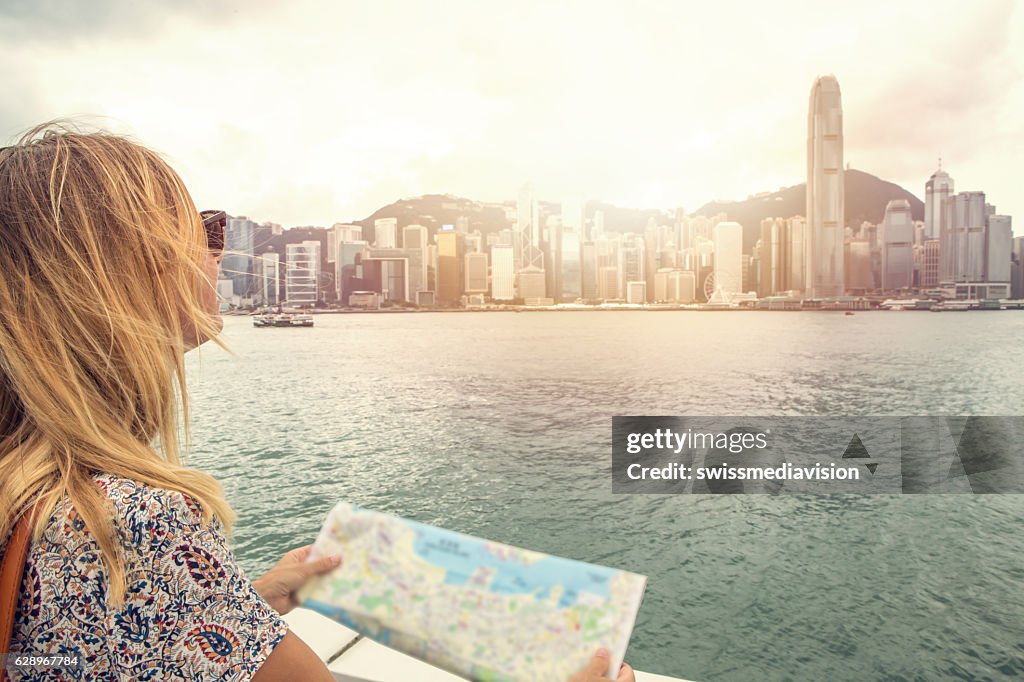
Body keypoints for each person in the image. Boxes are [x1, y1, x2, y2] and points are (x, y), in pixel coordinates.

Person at [0, 124, 634, 682]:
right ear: (125, 269)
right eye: (203, 230)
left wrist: (238, 604)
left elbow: (56, 660)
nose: (217, 253)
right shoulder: (135, 524)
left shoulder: (27, 489)